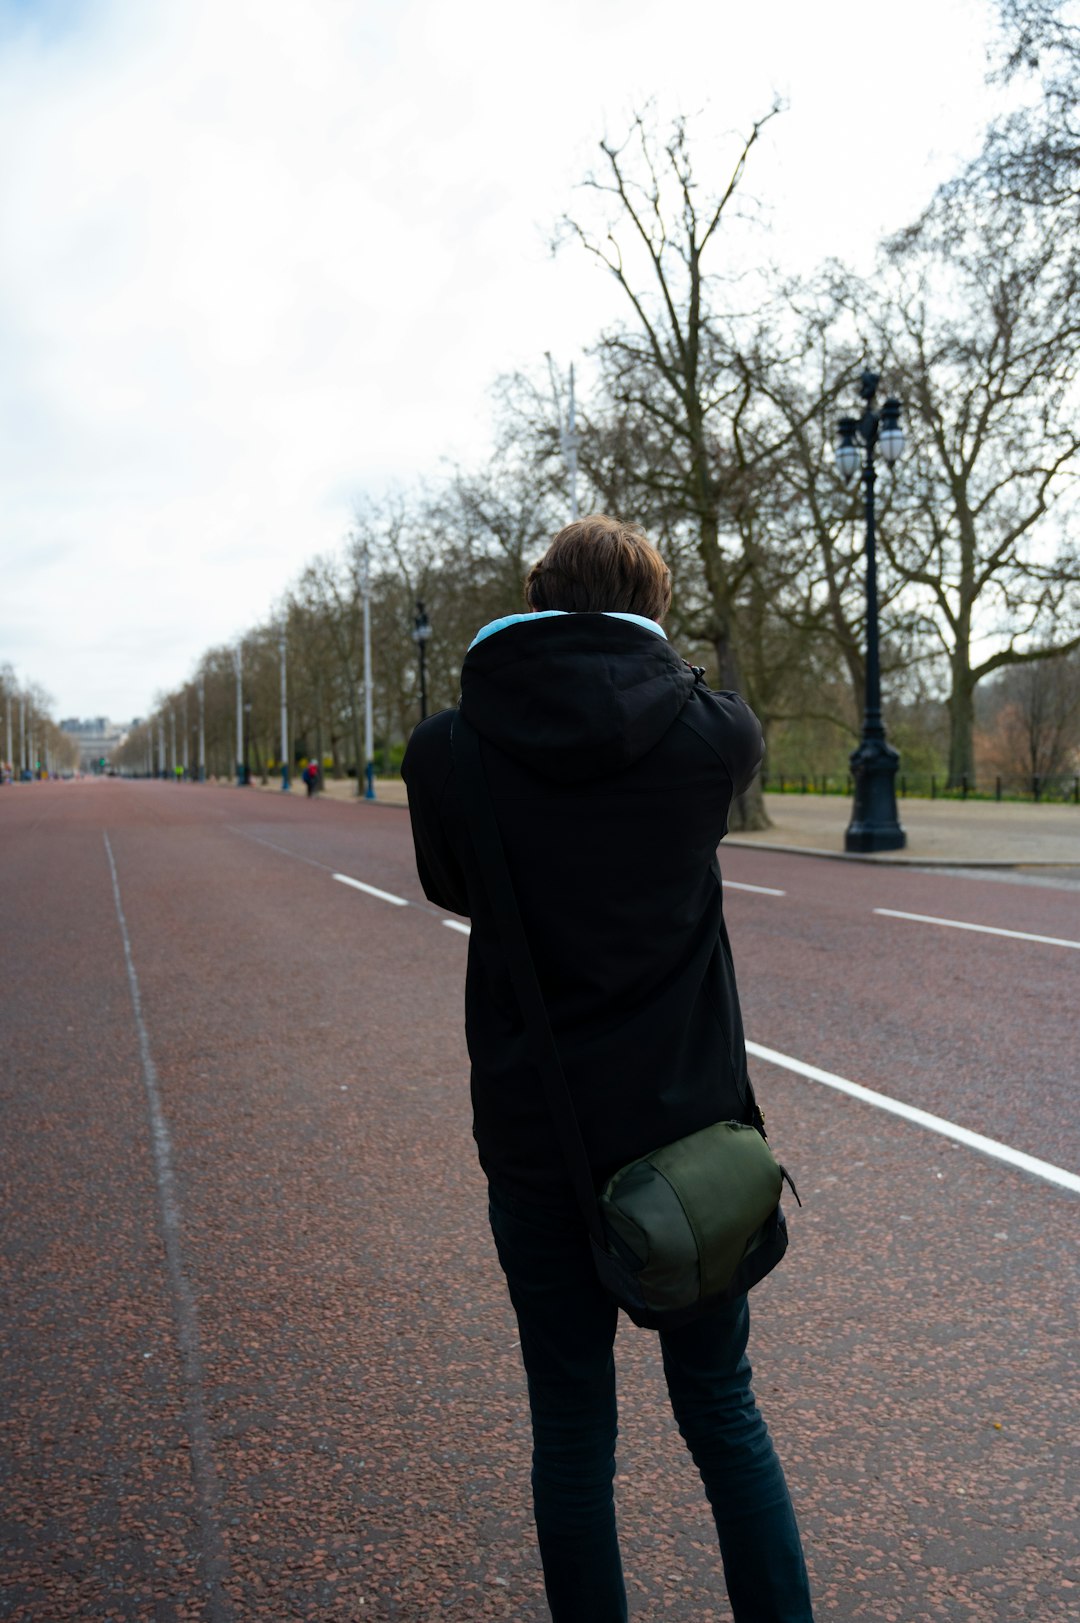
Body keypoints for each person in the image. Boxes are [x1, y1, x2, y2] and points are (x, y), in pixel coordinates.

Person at [401, 514, 814, 1623]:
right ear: (652, 608)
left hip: (543, 1137)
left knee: (573, 1433)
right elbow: (691, 713)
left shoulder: (447, 750)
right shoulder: (712, 734)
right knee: (724, 1412)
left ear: (537, 597)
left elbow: (457, 890)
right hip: (691, 1139)